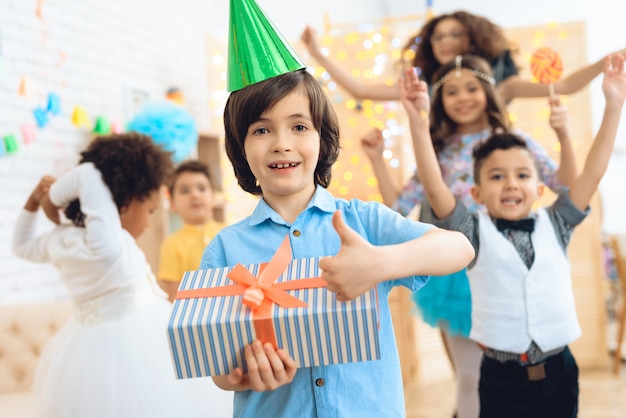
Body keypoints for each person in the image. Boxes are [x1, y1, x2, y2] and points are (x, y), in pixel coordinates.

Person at [200, 1, 475, 416]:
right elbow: (217, 364)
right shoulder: (224, 249)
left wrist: (381, 264)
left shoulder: (363, 221)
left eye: (298, 126)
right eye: (261, 129)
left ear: (321, 137)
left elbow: (459, 248)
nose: (281, 143)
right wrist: (240, 374)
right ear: (240, 148)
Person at [398, 52, 625, 418]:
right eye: (496, 176)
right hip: (500, 378)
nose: (510, 184)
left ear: (539, 188)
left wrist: (614, 105)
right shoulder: (470, 230)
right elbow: (434, 184)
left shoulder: (558, 223)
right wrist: (417, 122)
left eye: (522, 175)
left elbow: (592, 174)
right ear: (475, 193)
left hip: (560, 371)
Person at [361, 54, 577, 418]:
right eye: (452, 91)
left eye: (472, 88)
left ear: (488, 92)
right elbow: (400, 204)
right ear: (439, 101)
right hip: (458, 276)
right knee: (469, 374)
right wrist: (378, 160)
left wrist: (563, 132)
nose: (463, 97)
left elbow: (564, 185)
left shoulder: (513, 142)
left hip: (511, 268)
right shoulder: (438, 151)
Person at [12, 132, 233, 418]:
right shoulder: (108, 245)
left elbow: (21, 246)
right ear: (127, 203)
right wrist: (50, 200)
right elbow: (89, 175)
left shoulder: (61, 240)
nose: (149, 221)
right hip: (139, 345)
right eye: (151, 209)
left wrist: (33, 202)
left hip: (85, 352)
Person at [300, 10, 626, 103]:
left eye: (455, 34)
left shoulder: (502, 85)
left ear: (473, 39)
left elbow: (565, 87)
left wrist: (604, 63)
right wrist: (317, 53)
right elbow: (361, 90)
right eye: (439, 36)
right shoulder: (424, 87)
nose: (446, 41)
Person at [158, 159, 224, 302]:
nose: (195, 195)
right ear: (172, 203)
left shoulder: (229, 234)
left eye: (201, 188)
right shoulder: (172, 244)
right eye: (185, 191)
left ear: (213, 195)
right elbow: (174, 298)